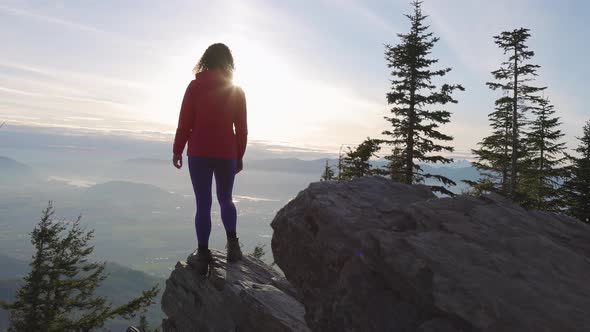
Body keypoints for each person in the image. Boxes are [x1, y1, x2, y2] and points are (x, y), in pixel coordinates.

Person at [172, 43, 248, 275]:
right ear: (228, 63)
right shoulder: (236, 90)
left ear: (205, 60)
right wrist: (239, 155)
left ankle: (203, 254)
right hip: (227, 152)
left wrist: (177, 150)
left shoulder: (195, 87)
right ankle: (233, 245)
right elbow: (242, 129)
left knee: (203, 204)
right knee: (226, 198)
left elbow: (185, 123)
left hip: (199, 153)